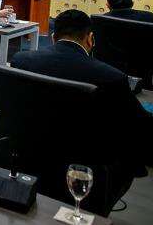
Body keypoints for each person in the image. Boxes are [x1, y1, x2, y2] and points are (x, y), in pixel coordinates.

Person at [11, 9, 151, 172]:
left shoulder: (21, 60)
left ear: (53, 37)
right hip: (87, 169)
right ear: (90, 39)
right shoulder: (112, 77)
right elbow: (137, 124)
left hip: (27, 158)